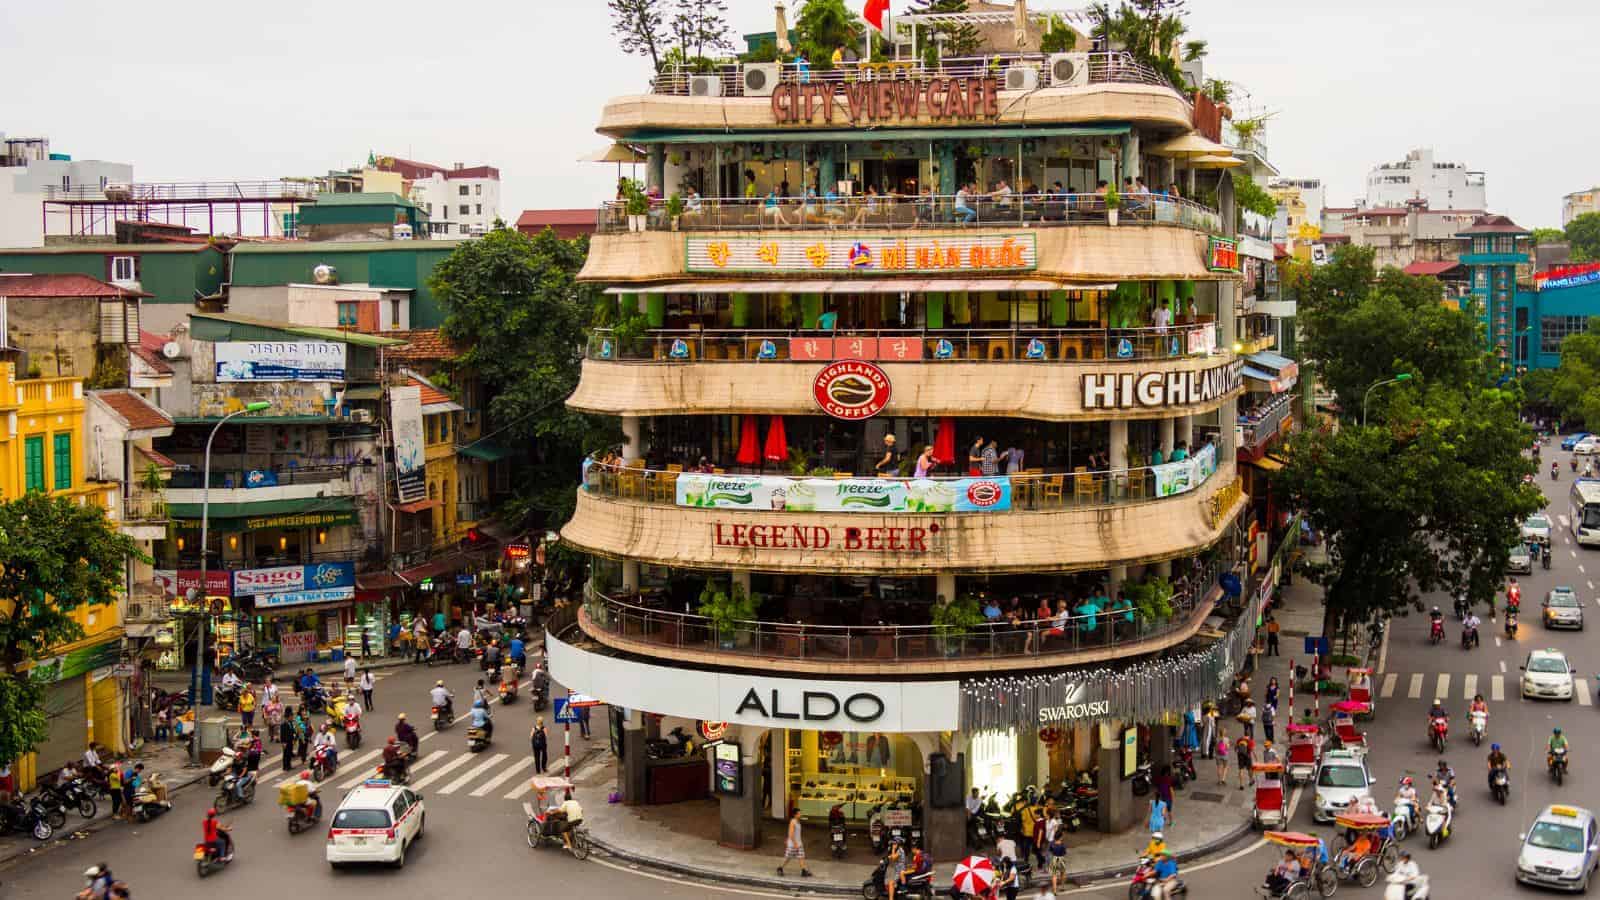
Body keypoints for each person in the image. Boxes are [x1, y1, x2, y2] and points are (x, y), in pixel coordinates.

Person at [777, 806, 811, 877]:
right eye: (799, 813)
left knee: (801, 856)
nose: (800, 815)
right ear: (795, 815)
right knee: (788, 857)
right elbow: (791, 833)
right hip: (793, 844)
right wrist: (794, 843)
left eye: (800, 813)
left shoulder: (797, 821)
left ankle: (803, 871)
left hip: (799, 843)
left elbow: (792, 833)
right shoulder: (793, 822)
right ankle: (780, 868)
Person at [1047, 825, 1068, 891]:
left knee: (1054, 875)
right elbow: (1064, 853)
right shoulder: (1062, 845)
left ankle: (1055, 889)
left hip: (1054, 859)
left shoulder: (1051, 843)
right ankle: (1062, 887)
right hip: (1061, 859)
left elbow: (1050, 851)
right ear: (1060, 837)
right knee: (1063, 873)